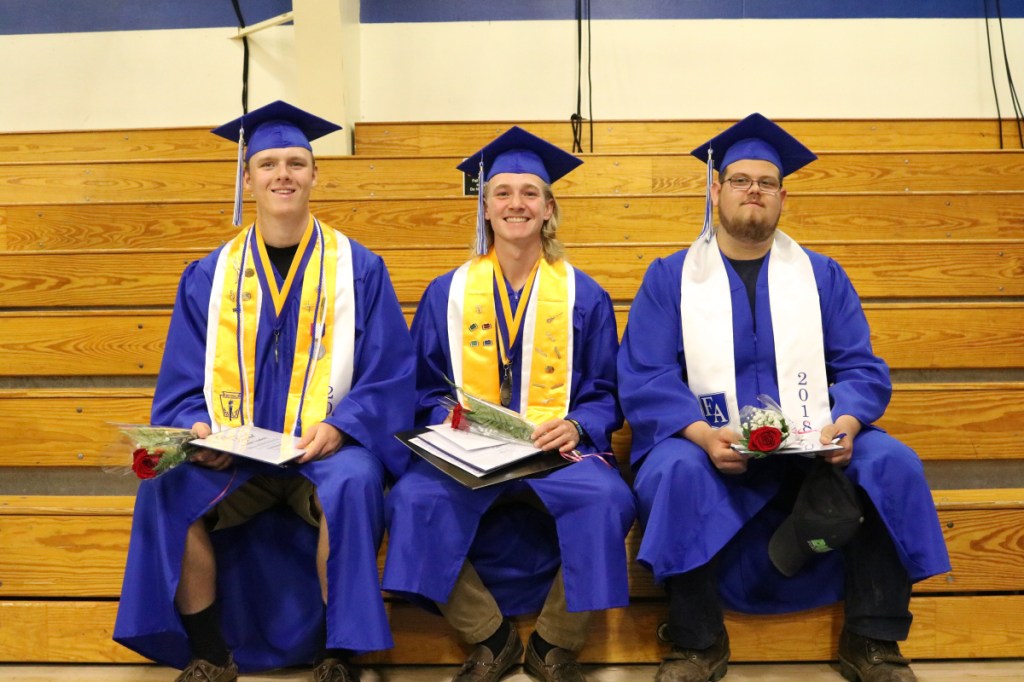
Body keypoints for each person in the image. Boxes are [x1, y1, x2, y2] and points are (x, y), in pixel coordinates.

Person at [617, 113, 951, 682]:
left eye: (766, 183)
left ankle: (873, 640)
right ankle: (698, 644)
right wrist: (701, 434)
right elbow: (646, 376)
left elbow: (861, 366)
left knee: (892, 462)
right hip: (709, 443)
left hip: (814, 439)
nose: (754, 191)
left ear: (782, 196)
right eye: (741, 179)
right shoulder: (669, 277)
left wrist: (845, 420)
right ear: (716, 189)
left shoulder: (821, 276)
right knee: (673, 470)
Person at [113, 100, 415, 682]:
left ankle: (340, 656)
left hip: (322, 451)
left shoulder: (360, 269)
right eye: (269, 163)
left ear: (314, 176)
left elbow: (389, 374)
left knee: (354, 482)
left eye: (297, 163)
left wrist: (342, 427)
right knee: (163, 484)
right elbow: (180, 382)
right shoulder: (209, 275)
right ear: (247, 178)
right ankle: (210, 654)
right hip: (237, 458)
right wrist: (199, 429)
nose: (284, 174)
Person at [382, 127, 636, 682]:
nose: (515, 203)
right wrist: (450, 420)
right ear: (485, 207)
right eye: (502, 192)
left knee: (608, 500)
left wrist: (577, 424)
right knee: (411, 500)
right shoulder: (445, 293)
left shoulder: (582, 294)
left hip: (552, 452)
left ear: (549, 208)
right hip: (470, 452)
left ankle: (553, 644)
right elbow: (424, 386)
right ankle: (488, 636)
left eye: (529, 193)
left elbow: (603, 390)